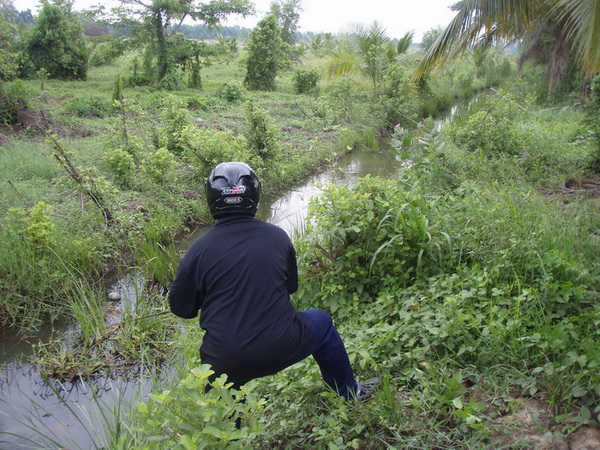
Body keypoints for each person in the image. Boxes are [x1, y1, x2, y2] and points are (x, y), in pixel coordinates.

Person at [168, 161, 379, 401]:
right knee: (321, 322)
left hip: (226, 359)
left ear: (210, 198)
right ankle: (348, 392)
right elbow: (290, 287)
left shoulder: (196, 251)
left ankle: (228, 435)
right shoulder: (277, 236)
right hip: (282, 344)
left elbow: (182, 310)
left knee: (223, 413)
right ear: (255, 195)